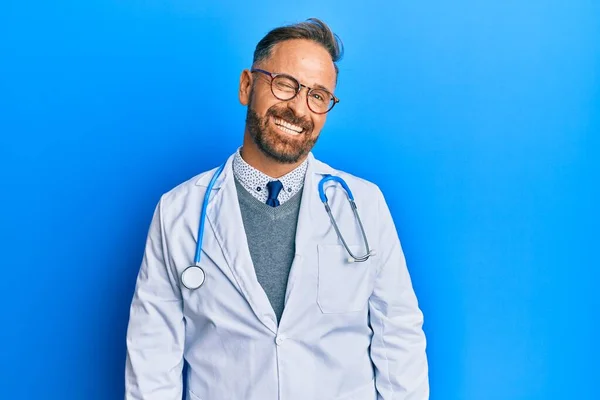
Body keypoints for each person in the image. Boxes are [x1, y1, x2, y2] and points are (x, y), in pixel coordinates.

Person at [125, 17, 429, 400]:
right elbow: (152, 360)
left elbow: (398, 336)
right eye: (285, 84)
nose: (299, 109)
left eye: (317, 96)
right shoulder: (178, 212)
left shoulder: (364, 205)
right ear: (247, 86)